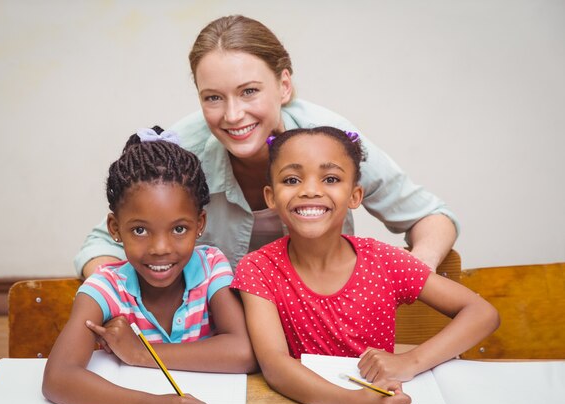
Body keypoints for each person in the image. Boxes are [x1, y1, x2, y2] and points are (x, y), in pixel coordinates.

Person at [75, 14, 459, 279]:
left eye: (249, 91)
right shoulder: (182, 151)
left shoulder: (332, 140)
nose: (232, 115)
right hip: (216, 332)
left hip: (315, 323)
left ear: (284, 86)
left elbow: (433, 218)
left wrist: (411, 275)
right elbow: (101, 244)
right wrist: (122, 298)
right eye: (213, 98)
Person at [230, 126, 499, 404]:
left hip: (385, 401)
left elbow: (483, 313)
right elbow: (275, 364)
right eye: (292, 179)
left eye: (330, 178)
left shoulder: (383, 261)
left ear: (355, 195)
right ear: (271, 196)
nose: (309, 190)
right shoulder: (258, 268)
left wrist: (411, 360)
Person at [43, 127, 256, 404]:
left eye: (179, 229)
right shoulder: (106, 287)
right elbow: (58, 378)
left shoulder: (211, 267)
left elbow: (244, 352)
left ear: (200, 224)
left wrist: (140, 353)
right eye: (140, 230)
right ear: (115, 229)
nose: (160, 248)